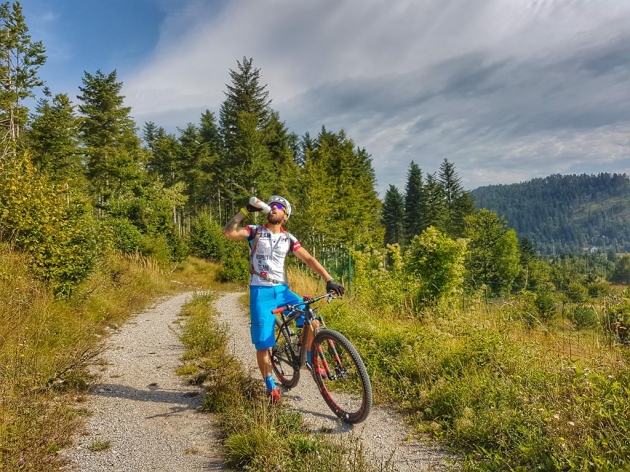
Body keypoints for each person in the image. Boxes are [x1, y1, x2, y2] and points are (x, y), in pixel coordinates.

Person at [222, 195, 345, 404]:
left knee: (312, 321)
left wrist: (329, 279)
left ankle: (307, 358)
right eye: (272, 205)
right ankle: (270, 386)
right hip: (260, 293)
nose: (273, 208)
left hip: (282, 292)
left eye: (279, 207)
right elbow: (228, 232)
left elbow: (308, 258)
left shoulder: (289, 238)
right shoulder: (255, 231)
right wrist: (244, 211)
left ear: (285, 216)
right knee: (263, 344)